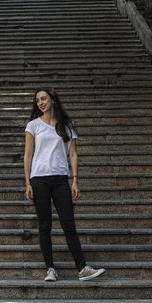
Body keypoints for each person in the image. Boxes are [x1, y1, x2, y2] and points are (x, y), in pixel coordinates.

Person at [23, 87, 106, 282]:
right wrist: (27, 182)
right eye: (37, 101)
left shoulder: (67, 125)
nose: (41, 103)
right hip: (39, 178)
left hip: (61, 178)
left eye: (44, 98)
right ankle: (50, 268)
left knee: (68, 223)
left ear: (53, 99)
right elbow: (27, 155)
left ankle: (82, 267)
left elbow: (73, 154)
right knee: (45, 225)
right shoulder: (33, 125)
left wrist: (75, 179)